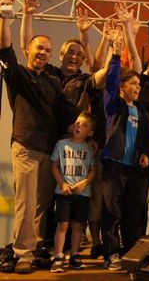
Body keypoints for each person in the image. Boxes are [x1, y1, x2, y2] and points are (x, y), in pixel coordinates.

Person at [0, 0, 76, 274]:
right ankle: (23, 253)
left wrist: (85, 138)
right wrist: (9, 16)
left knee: (43, 205)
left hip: (50, 152)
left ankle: (38, 247)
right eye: (38, 48)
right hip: (26, 147)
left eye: (47, 49)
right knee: (26, 202)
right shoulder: (17, 75)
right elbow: (6, 47)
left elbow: (67, 119)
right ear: (28, 50)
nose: (43, 52)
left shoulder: (54, 83)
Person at [100, 29, 149, 271]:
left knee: (133, 213)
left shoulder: (141, 112)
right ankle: (111, 254)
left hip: (133, 169)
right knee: (112, 212)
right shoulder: (114, 104)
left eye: (139, 84)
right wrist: (116, 54)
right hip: (113, 166)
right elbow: (110, 83)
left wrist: (144, 154)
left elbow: (147, 140)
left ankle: (131, 253)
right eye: (132, 82)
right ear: (122, 86)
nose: (137, 87)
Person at [50, 112, 97, 273]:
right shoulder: (61, 144)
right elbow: (54, 165)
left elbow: (93, 170)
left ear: (90, 133)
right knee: (62, 224)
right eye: (78, 122)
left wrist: (85, 183)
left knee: (78, 225)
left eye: (85, 125)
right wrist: (61, 184)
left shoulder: (89, 148)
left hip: (82, 194)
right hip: (64, 193)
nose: (79, 126)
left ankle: (75, 255)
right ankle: (58, 256)